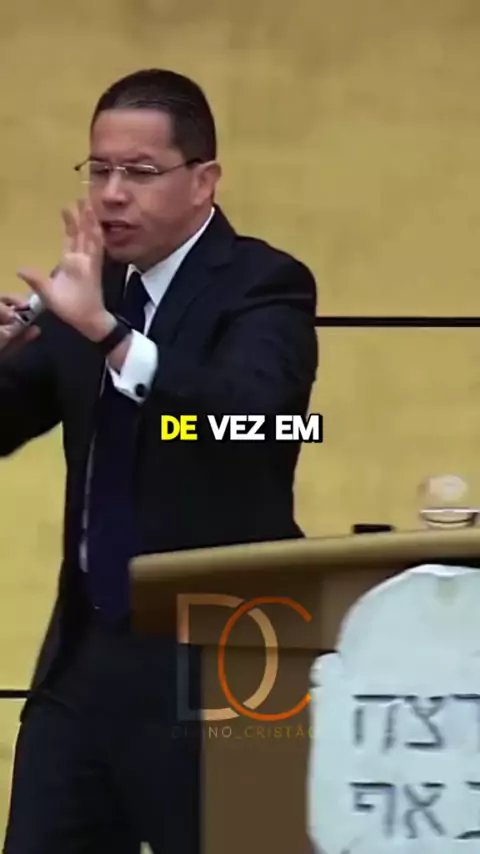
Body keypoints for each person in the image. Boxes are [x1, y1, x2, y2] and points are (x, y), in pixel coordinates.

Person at [0, 68, 318, 853]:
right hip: (85, 662)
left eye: (140, 172)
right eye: (100, 170)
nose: (113, 195)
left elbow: (257, 422)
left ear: (203, 180)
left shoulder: (264, 285)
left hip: (225, 661)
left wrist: (112, 338)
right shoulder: (87, 290)